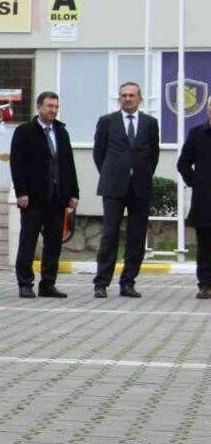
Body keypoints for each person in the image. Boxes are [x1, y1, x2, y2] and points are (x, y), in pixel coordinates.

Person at [92, 82, 159, 298]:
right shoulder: (107, 121)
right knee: (110, 235)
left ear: (140, 98)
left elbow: (154, 155)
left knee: (136, 236)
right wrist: (112, 173)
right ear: (119, 98)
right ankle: (101, 283)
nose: (127, 99)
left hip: (140, 187)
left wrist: (140, 174)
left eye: (131, 95)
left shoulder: (150, 123)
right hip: (113, 186)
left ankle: (128, 282)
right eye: (123, 95)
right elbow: (99, 154)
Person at [10, 92, 79, 299]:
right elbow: (16, 163)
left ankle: (48, 284)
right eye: (49, 106)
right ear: (39, 107)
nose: (53, 110)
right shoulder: (25, 131)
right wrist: (21, 192)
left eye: (56, 106)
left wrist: (73, 193)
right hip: (33, 198)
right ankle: (25, 283)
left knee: (54, 242)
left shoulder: (61, 132)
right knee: (28, 241)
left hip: (57, 197)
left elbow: (69, 164)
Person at [177, 103, 211, 299]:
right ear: (208, 110)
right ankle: (205, 284)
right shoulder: (197, 133)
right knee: (205, 246)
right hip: (205, 200)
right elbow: (183, 163)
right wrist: (196, 183)